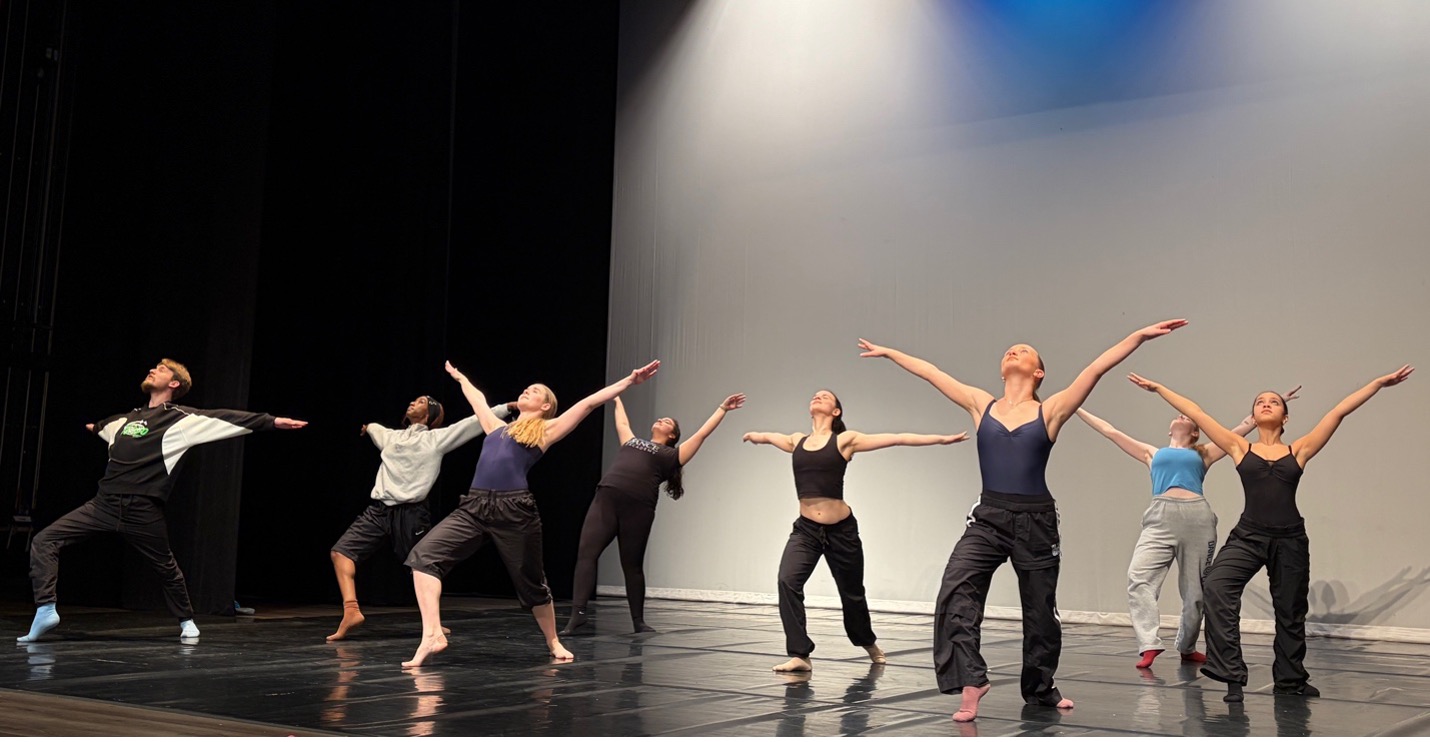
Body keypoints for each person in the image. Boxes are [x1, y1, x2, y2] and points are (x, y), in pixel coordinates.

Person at [857, 318, 1186, 722]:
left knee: (1040, 611)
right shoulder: (982, 404)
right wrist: (891, 353)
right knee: (955, 589)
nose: (1014, 350)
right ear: (1001, 369)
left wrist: (1137, 336)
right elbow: (932, 372)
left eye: (1024, 350)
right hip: (988, 517)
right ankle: (971, 679)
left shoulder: (1052, 408)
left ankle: (1040, 689)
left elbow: (1096, 369)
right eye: (1010, 349)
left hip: (1036, 521)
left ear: (1038, 372)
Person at [1127, 364, 1413, 701]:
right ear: (1253, 413)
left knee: (1290, 610)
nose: (1265, 404)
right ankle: (1231, 675)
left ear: (1285, 418)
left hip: (1290, 537)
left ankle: (1290, 680)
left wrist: (1378, 383)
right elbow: (1196, 413)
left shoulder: (1300, 449)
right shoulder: (1238, 447)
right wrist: (1160, 388)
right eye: (1260, 401)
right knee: (1217, 587)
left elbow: (1339, 411)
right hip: (1249, 535)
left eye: (1273, 402)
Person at [17, 359, 307, 643]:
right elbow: (102, 426)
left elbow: (224, 418)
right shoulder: (124, 420)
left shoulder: (180, 419)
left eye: (162, 368)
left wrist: (270, 421)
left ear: (174, 383)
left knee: (166, 568)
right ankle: (45, 609)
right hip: (103, 504)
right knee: (45, 540)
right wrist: (94, 427)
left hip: (142, 509)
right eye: (155, 366)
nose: (153, 369)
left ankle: (186, 619)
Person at [400, 359, 660, 667]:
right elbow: (478, 399)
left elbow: (588, 404)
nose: (527, 390)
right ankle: (431, 634)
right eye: (527, 388)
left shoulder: (547, 429)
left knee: (532, 582)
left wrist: (629, 381)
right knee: (424, 558)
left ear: (546, 405)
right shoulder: (495, 428)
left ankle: (553, 641)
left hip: (514, 510)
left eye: (534, 391)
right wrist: (460, 378)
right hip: (474, 506)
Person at [1073, 383, 1300, 669]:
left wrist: (1277, 403)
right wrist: (1075, 406)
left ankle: (1187, 646)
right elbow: (1109, 430)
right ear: (1170, 430)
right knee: (1138, 577)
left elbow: (1243, 427)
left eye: (1188, 418)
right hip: (1160, 518)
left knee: (1196, 592)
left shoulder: (1204, 452)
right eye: (1178, 417)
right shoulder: (1151, 453)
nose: (1182, 417)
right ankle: (1149, 643)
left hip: (1197, 520)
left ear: (1196, 433)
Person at [744, 389, 969, 673]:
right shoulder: (797, 440)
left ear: (836, 411)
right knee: (787, 581)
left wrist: (940, 439)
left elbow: (897, 438)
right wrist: (753, 435)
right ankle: (800, 654)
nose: (818, 397)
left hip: (842, 532)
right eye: (815, 395)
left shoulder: (845, 441)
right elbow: (769, 437)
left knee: (851, 593)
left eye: (825, 396)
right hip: (806, 531)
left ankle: (867, 642)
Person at [325, 391, 514, 641]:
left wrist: (507, 407)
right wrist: (367, 427)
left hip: (412, 513)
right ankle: (351, 610)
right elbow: (375, 428)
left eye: (421, 402)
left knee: (422, 566)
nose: (413, 402)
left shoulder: (436, 439)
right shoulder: (391, 437)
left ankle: (433, 623)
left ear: (430, 414)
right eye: (413, 400)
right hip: (379, 510)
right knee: (341, 552)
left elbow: (473, 422)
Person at [563, 392, 746, 635]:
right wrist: (616, 398)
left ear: (672, 436)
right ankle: (578, 617)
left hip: (638, 509)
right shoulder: (632, 442)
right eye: (660, 418)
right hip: (606, 499)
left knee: (632, 565)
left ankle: (638, 621)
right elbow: (622, 423)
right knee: (586, 555)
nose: (661, 420)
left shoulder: (673, 456)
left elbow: (702, 434)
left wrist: (722, 408)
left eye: (667, 422)